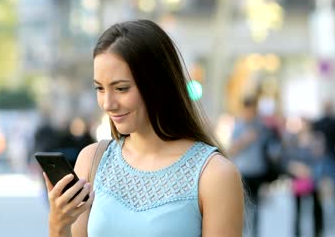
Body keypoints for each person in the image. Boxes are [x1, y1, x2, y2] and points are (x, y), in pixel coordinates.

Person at [43, 20, 244, 237]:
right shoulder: (92, 161)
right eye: (100, 88)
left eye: (121, 88)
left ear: (158, 84)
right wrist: (58, 225)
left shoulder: (215, 175)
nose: (108, 103)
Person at [228, 96, 276, 237]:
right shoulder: (238, 126)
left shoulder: (262, 127)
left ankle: (255, 233)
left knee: (256, 207)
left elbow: (270, 147)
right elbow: (231, 149)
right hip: (243, 172)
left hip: (258, 172)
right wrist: (245, 140)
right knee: (242, 207)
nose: (251, 113)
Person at [284, 117, 324, 237]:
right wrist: (296, 168)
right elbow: (287, 159)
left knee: (316, 208)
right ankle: (297, 233)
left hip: (313, 178)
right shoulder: (293, 140)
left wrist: (309, 170)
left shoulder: (317, 139)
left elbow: (320, 159)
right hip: (298, 179)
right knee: (298, 209)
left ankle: (318, 232)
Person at [312, 101, 335, 214]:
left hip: (327, 157)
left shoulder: (320, 123)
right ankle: (332, 208)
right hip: (329, 156)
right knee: (328, 183)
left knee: (324, 183)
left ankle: (325, 210)